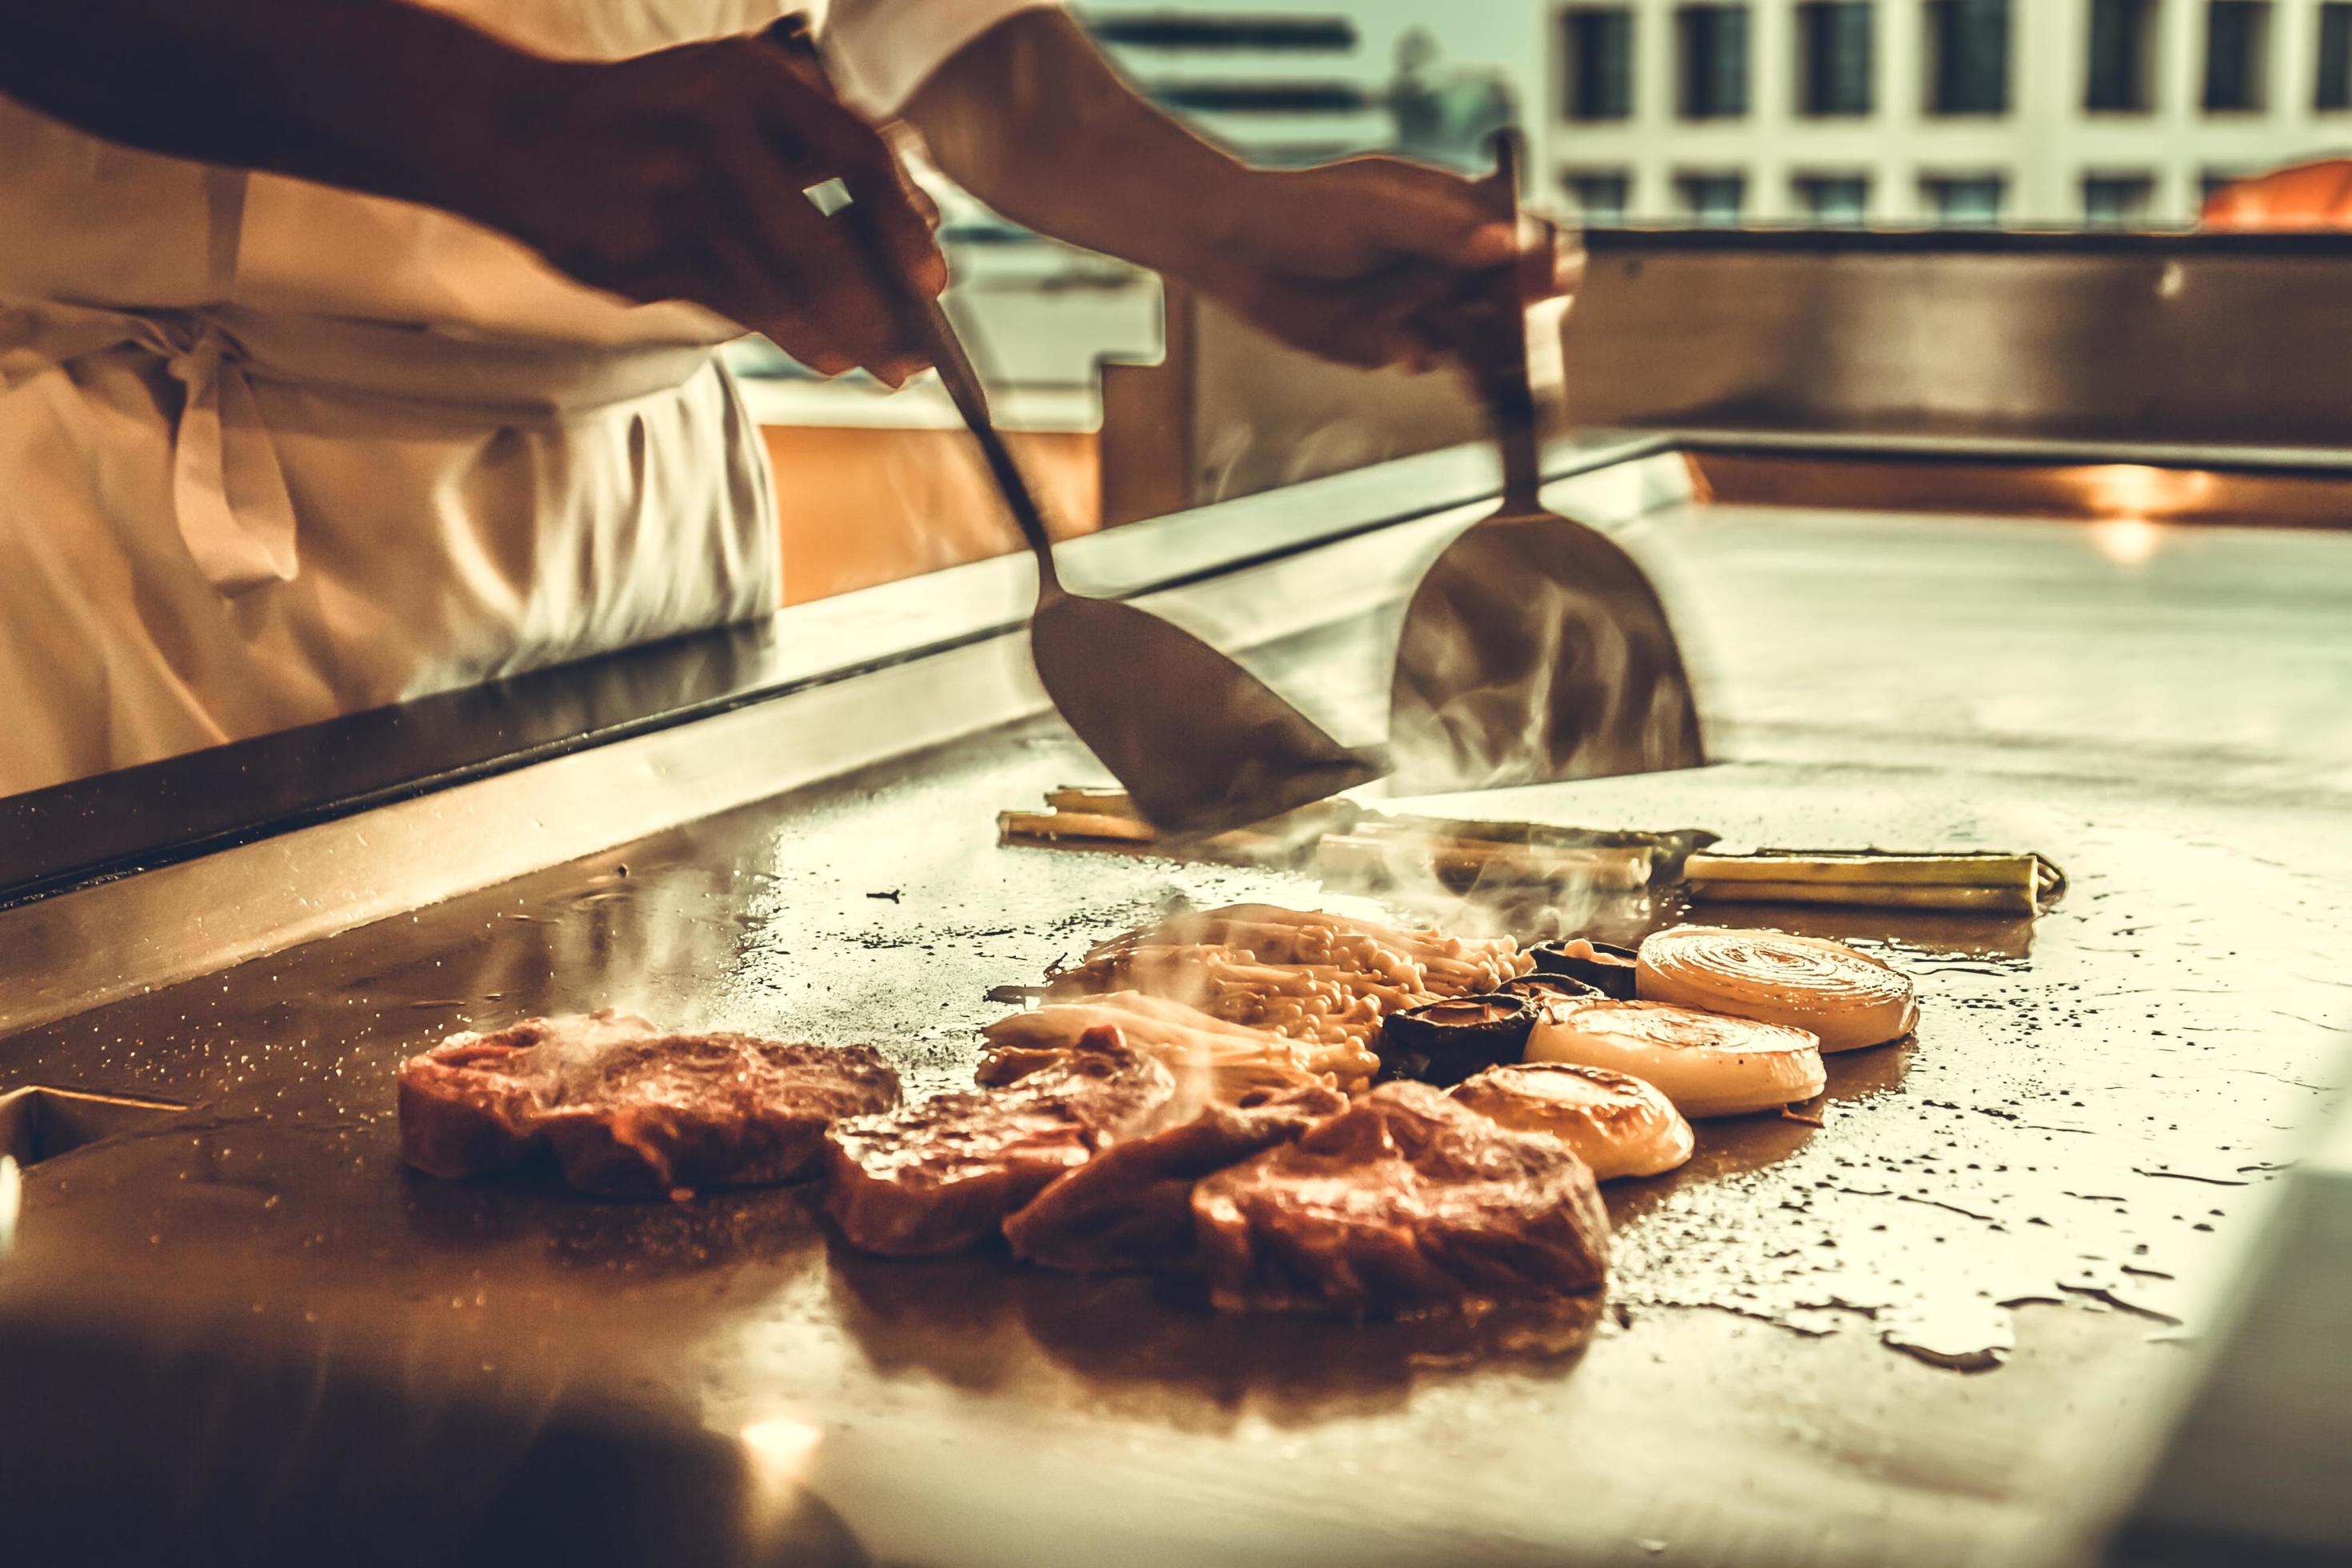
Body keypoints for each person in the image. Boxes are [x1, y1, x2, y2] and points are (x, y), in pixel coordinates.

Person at [0, 0, 1553, 797]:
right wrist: (507, 123)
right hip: (176, 528)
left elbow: (910, 15)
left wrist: (1221, 217)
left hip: (656, 499)